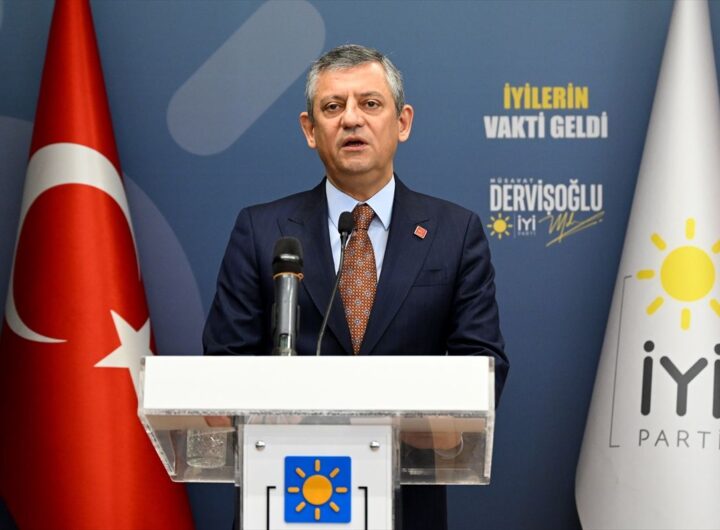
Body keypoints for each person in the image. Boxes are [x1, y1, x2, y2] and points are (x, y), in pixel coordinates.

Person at [203, 44, 508, 530]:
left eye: (370, 103)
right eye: (332, 106)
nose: (351, 119)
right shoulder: (262, 231)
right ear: (310, 130)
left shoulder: (455, 232)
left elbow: (482, 371)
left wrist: (372, 411)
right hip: (285, 495)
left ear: (402, 122)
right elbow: (223, 368)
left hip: (407, 507)